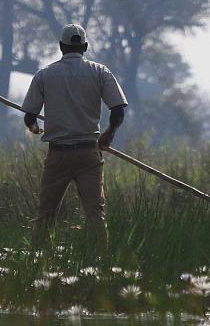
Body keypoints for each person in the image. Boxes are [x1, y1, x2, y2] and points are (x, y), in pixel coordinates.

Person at [22, 23, 128, 253]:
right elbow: (118, 110)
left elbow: (29, 116)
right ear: (85, 46)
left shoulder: (44, 74)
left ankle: (40, 260)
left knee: (46, 215)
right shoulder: (100, 72)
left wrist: (34, 128)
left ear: (61, 46)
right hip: (88, 154)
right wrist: (108, 135)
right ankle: (101, 261)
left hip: (58, 155)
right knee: (95, 215)